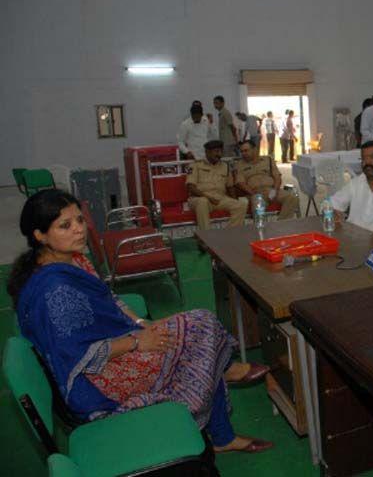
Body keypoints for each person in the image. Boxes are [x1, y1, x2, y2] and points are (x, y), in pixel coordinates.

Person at [8, 189, 273, 453]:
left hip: (118, 342)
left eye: (79, 220)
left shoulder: (73, 260)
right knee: (202, 332)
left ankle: (222, 432)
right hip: (99, 379)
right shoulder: (55, 290)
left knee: (199, 331)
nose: (79, 229)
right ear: (40, 235)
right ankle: (223, 406)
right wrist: (137, 342)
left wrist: (140, 322)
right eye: (65, 226)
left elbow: (109, 299)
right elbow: (77, 355)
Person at [186, 140, 248, 230]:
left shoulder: (225, 166)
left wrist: (234, 200)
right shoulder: (195, 165)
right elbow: (190, 187)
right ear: (207, 152)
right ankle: (206, 237)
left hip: (219, 199)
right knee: (202, 202)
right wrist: (208, 197)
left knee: (241, 205)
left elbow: (230, 186)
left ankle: (229, 234)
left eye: (220, 151)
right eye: (216, 151)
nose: (219, 154)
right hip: (199, 198)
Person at [234, 140, 298, 220]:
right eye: (242, 151)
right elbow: (241, 183)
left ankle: (280, 226)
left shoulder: (268, 160)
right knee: (258, 204)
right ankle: (262, 229)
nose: (243, 154)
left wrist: (274, 190)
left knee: (291, 198)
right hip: (254, 192)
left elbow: (277, 176)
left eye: (246, 151)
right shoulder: (239, 165)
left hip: (271, 190)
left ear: (255, 149)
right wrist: (254, 193)